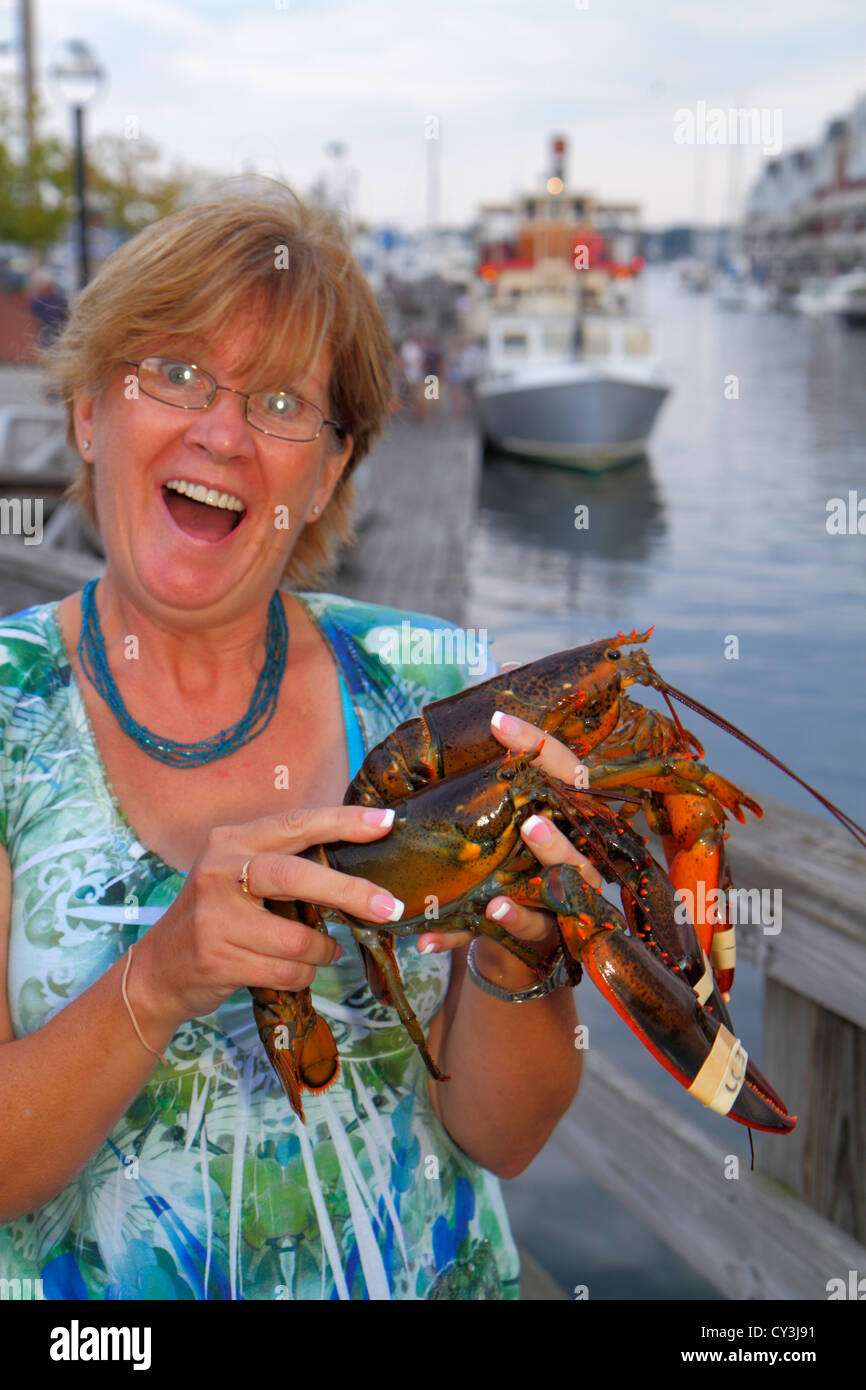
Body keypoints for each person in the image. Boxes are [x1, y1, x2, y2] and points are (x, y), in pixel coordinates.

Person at [0, 183, 595, 1301]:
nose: (220, 433)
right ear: (88, 411)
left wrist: (525, 951)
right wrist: (163, 975)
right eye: (174, 374)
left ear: (328, 469)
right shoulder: (5, 709)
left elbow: (505, 1138)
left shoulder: (439, 687)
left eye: (280, 402)